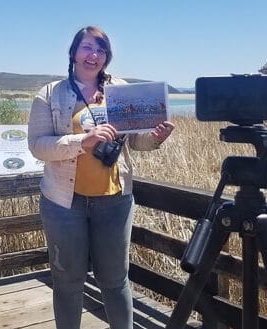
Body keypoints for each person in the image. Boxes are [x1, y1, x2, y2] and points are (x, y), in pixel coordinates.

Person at [27, 26, 175, 329]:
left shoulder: (120, 90)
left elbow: (136, 142)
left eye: (101, 50)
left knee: (115, 280)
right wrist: (83, 142)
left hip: (114, 202)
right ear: (73, 52)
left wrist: (156, 137)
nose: (93, 55)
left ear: (107, 57)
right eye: (86, 47)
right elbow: (37, 146)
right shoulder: (50, 94)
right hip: (63, 203)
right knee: (68, 281)